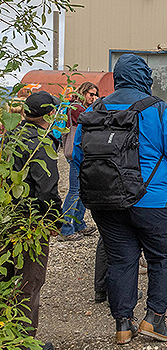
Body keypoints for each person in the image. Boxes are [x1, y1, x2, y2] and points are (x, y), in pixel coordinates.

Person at [73, 53, 167, 344]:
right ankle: (153, 319)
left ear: (117, 77)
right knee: (163, 257)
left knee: (120, 261)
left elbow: (78, 155)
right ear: (145, 78)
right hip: (155, 201)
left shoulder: (95, 110)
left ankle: (123, 325)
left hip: (106, 200)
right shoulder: (161, 110)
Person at [10, 91, 62, 350]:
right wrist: (54, 221)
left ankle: (7, 335)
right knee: (30, 281)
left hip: (7, 219)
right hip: (30, 224)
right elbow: (46, 189)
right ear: (49, 114)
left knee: (7, 277)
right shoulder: (42, 143)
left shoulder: (11, 138)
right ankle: (24, 342)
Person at [58, 82, 99, 241]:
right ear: (83, 92)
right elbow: (90, 120)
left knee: (81, 190)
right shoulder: (76, 108)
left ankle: (78, 224)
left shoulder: (76, 106)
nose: (93, 97)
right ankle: (66, 229)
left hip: (81, 153)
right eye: (90, 94)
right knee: (75, 190)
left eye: (95, 94)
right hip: (77, 153)